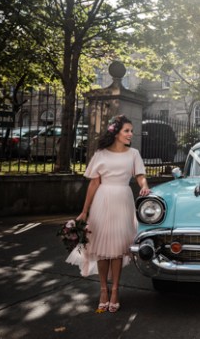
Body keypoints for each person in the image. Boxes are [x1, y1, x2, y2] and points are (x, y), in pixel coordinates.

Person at [67, 115, 150, 313]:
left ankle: (115, 291)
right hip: (102, 201)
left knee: (117, 248)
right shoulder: (101, 154)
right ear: (116, 132)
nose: (131, 134)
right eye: (127, 131)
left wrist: (144, 187)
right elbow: (94, 183)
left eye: (131, 131)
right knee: (102, 249)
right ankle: (103, 290)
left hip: (123, 200)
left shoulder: (134, 154)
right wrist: (85, 211)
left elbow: (140, 176)